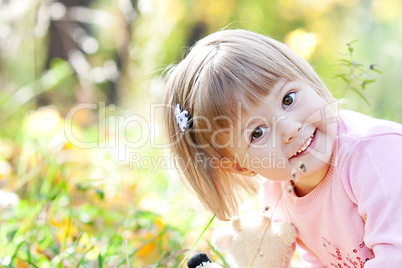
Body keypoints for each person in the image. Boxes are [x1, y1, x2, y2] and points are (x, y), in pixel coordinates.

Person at [163, 29, 402, 266]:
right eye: (257, 133)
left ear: (306, 78)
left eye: (288, 99)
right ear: (238, 166)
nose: (290, 130)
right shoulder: (277, 192)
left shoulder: (375, 155)